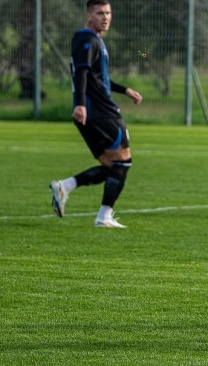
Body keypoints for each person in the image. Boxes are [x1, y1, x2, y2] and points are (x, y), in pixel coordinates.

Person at [49, 0, 142, 228]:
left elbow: (98, 79)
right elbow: (81, 73)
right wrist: (80, 104)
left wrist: (124, 90)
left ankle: (65, 186)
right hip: (100, 112)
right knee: (124, 162)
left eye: (108, 13)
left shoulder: (93, 40)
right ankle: (104, 217)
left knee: (113, 167)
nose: (106, 17)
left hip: (91, 112)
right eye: (100, 13)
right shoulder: (87, 40)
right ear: (89, 15)